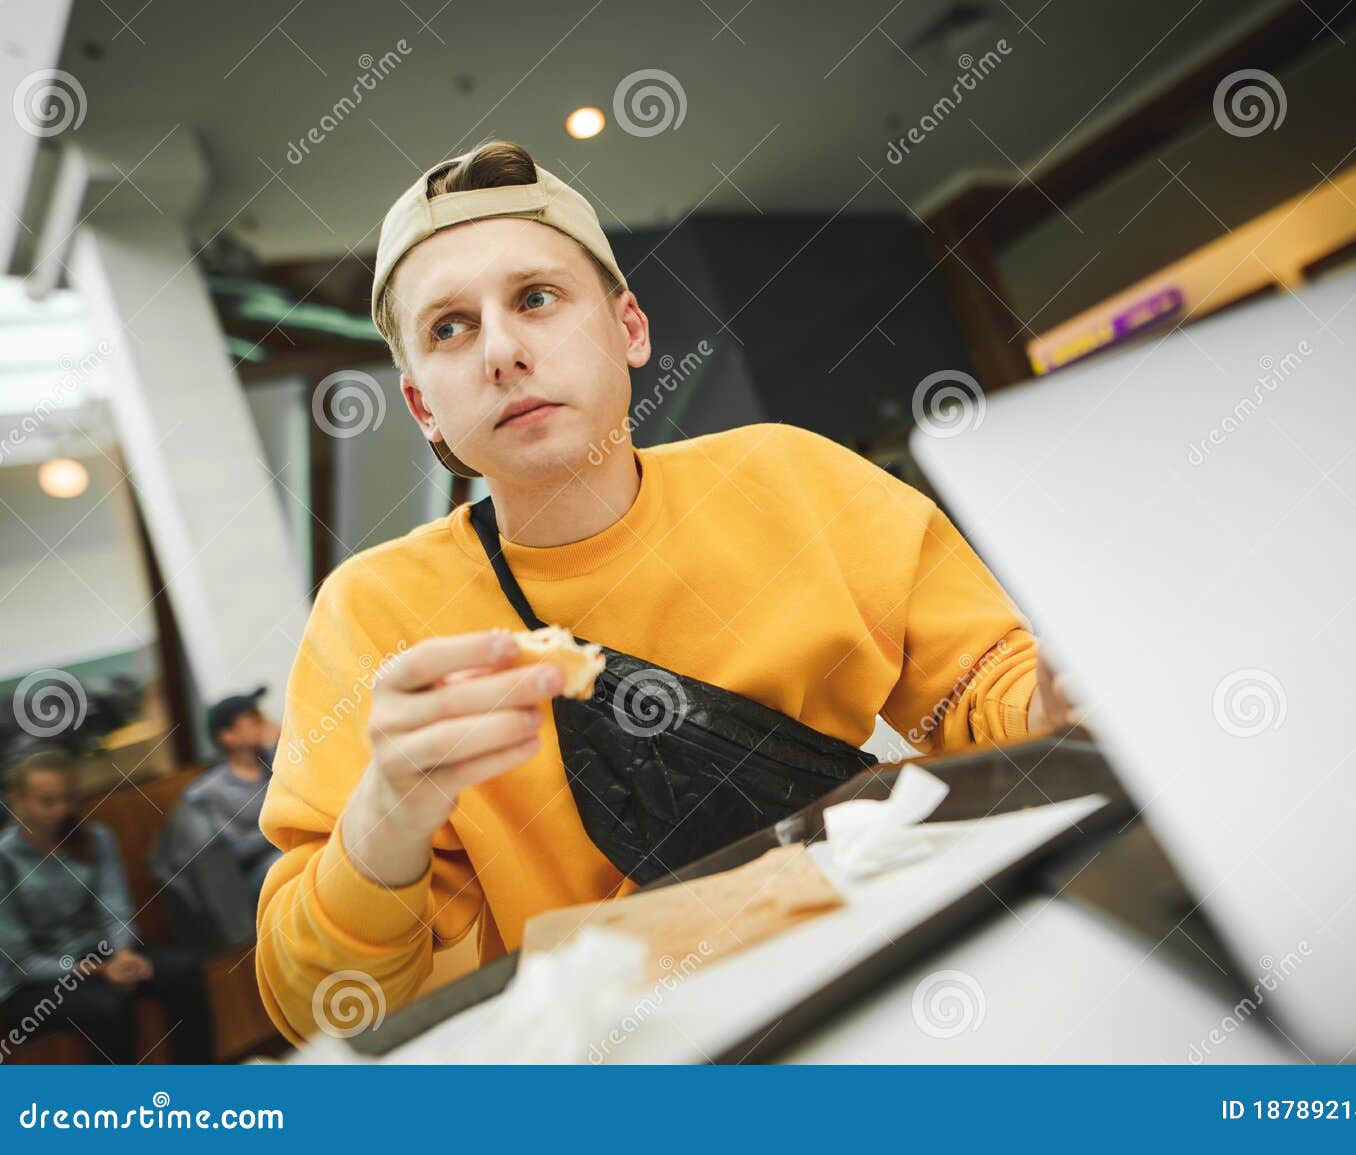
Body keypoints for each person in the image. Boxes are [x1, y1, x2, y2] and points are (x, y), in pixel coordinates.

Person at [256, 139, 1077, 1044]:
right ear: (423, 408)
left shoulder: (791, 475)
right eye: (449, 327)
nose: (500, 351)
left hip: (895, 968)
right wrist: (388, 811)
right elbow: (318, 1009)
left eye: (536, 298)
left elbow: (992, 703)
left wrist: (1056, 694)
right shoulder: (374, 614)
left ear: (631, 328)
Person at [0, 750, 213, 1063]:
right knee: (107, 1006)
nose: (61, 810)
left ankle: (196, 1087)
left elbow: (115, 909)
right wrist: (98, 971)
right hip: (33, 982)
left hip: (100, 955)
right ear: (17, 799)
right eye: (47, 801)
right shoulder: (5, 859)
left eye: (67, 799)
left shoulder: (95, 838)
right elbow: (20, 960)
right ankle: (109, 1106)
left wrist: (123, 953)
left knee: (182, 970)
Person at [184, 687, 284, 901]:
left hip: (291, 851)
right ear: (228, 737)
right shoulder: (208, 791)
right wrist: (283, 826)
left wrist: (278, 747)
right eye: (253, 719)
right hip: (260, 871)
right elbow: (234, 849)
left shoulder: (277, 762)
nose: (264, 723)